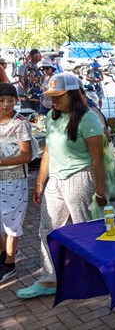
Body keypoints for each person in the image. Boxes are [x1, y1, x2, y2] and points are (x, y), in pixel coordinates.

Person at [17, 73, 107, 298]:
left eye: (59, 96)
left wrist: (100, 192)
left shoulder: (88, 118)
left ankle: (91, 277)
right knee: (47, 229)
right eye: (51, 96)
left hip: (80, 179)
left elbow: (98, 159)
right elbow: (48, 151)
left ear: (73, 94)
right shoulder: (51, 116)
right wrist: (40, 183)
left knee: (84, 230)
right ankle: (50, 279)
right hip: (55, 181)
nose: (53, 101)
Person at [0, 83, 33, 282]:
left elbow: (26, 156)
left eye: (10, 100)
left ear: (16, 101)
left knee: (12, 224)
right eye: (1, 101)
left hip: (14, 181)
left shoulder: (20, 123)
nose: (5, 105)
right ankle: (5, 255)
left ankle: (10, 265)